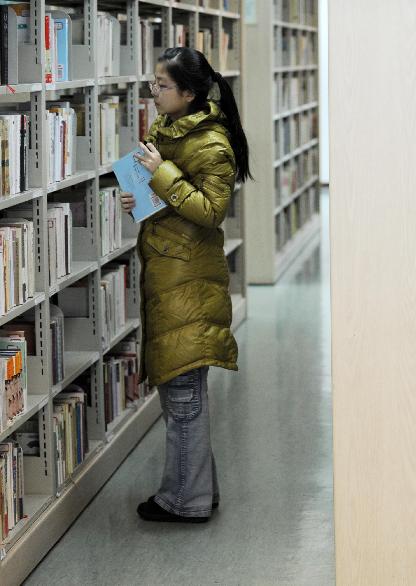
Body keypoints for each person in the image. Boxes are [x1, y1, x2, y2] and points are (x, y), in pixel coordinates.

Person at [121, 47, 251, 523]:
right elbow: (175, 202)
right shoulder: (168, 135)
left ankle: (186, 500)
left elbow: (211, 211)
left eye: (161, 86)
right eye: (153, 83)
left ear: (188, 94)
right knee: (183, 395)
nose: (152, 93)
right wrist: (140, 195)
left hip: (189, 282)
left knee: (184, 398)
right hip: (171, 274)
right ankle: (198, 490)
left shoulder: (212, 144)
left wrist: (162, 174)